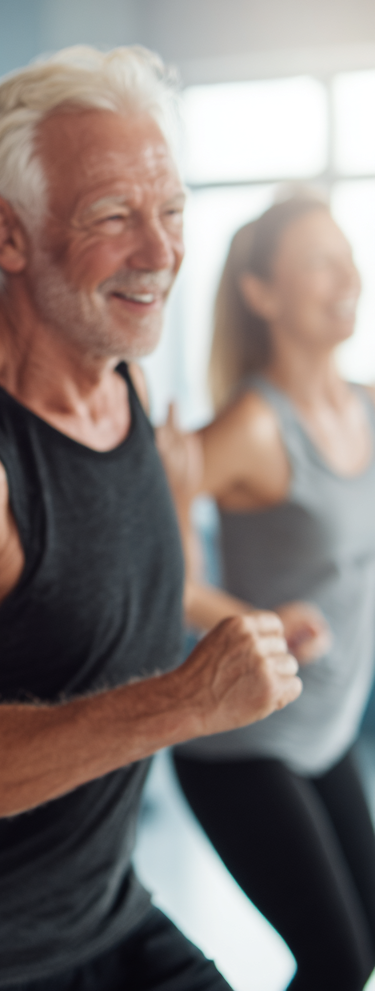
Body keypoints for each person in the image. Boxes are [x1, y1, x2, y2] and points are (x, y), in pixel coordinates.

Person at [0, 45, 302, 991]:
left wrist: (243, 625)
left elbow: (101, 589)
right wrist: (184, 701)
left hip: (108, 914)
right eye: (113, 216)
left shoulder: (122, 386)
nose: (160, 251)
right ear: (5, 233)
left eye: (170, 211)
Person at [161, 196, 375, 991]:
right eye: (320, 262)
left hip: (324, 730)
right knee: (337, 962)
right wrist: (253, 620)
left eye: (347, 257)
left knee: (361, 947)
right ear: (262, 293)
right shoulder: (254, 427)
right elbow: (165, 567)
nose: (348, 277)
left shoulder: (367, 405)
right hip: (242, 739)